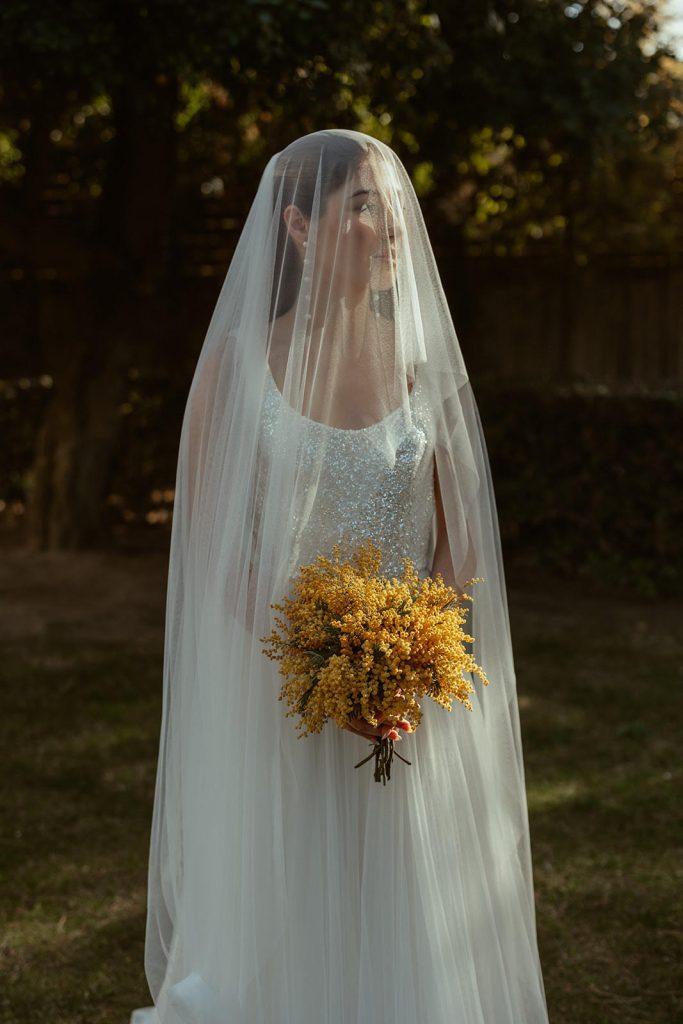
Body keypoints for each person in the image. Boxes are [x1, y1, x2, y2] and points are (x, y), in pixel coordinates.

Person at [131, 128, 550, 1024]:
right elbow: (215, 545)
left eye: (389, 202)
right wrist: (319, 664)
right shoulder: (236, 364)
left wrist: (405, 654)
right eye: (361, 204)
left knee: (406, 900)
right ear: (297, 225)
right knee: (285, 903)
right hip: (276, 689)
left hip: (413, 693)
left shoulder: (425, 365)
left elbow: (462, 535)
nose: (388, 221)